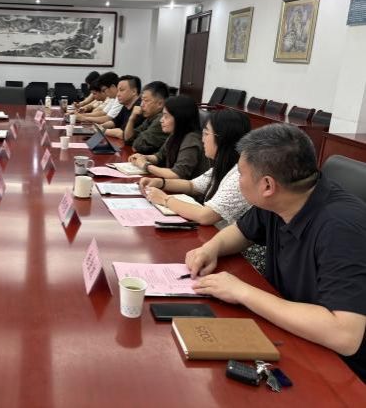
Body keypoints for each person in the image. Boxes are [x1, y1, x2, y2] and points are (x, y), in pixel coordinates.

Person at [185, 123, 366, 381]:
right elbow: (241, 232)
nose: (238, 180)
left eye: (241, 174)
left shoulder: (341, 227)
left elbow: (345, 335)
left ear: (267, 185)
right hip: (291, 331)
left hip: (339, 371)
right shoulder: (284, 198)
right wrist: (210, 248)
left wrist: (242, 291)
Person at [141, 108, 251, 228]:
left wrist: (165, 199)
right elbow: (192, 186)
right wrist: (160, 182)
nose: (202, 139)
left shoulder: (240, 175)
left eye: (206, 134)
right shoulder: (224, 165)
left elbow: (205, 216)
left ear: (223, 138)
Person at [128, 95, 208, 180]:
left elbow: (177, 174)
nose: (161, 120)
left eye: (166, 116)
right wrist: (143, 157)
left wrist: (146, 165)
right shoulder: (176, 134)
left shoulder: (191, 140)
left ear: (179, 118)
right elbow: (159, 157)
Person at [123, 81, 169, 154]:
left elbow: (137, 146)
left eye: (146, 101)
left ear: (160, 104)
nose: (141, 105)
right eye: (142, 100)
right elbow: (128, 139)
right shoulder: (151, 117)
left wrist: (137, 139)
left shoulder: (162, 119)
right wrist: (131, 119)